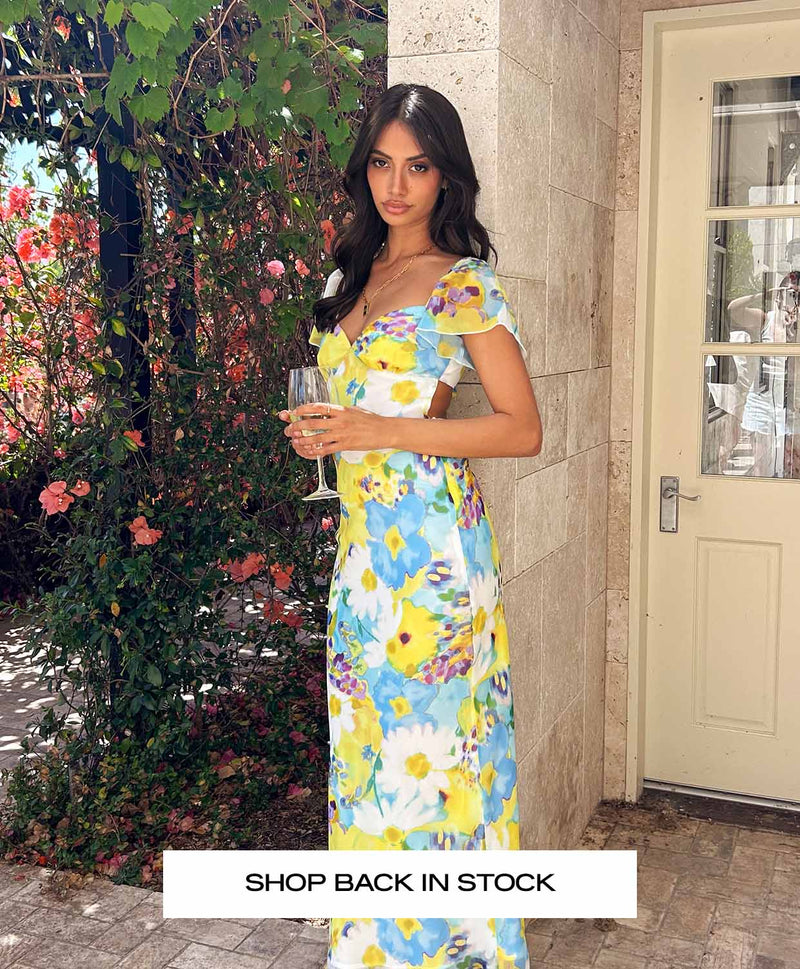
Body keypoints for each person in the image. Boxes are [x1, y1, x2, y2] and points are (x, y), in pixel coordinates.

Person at [278, 81, 541, 969]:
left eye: (418, 167)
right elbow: (348, 410)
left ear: (445, 177)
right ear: (365, 170)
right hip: (365, 556)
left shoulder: (463, 283)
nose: (397, 185)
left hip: (434, 558)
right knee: (369, 763)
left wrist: (380, 430)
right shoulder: (345, 278)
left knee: (435, 767)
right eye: (383, 164)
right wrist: (324, 433)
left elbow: (522, 428)